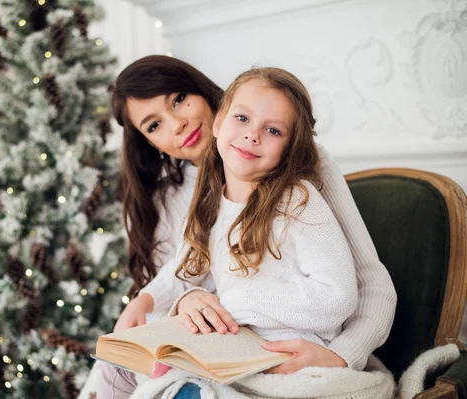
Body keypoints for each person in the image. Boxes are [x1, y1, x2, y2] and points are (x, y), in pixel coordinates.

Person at [97, 55, 396, 397]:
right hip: (232, 341)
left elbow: (367, 286)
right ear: (149, 143)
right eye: (154, 125)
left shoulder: (299, 183)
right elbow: (188, 268)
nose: (177, 123)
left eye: (179, 100)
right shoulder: (189, 195)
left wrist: (341, 357)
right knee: (118, 370)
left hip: (297, 347)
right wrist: (156, 299)